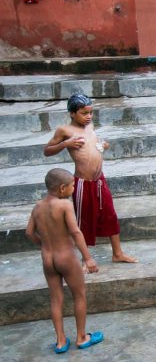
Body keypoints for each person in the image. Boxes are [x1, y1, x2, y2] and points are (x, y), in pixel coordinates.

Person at [43, 94, 137, 264]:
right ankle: (86, 259)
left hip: (100, 180)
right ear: (72, 113)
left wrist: (102, 146)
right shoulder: (64, 131)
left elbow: (92, 145)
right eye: (84, 113)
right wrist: (66, 144)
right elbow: (47, 150)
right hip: (82, 183)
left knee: (110, 214)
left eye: (90, 113)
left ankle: (117, 254)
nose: (88, 117)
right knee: (83, 219)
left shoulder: (90, 126)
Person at [26, 168, 104, 353]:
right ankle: (82, 337)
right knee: (79, 295)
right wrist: (88, 258)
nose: (73, 188)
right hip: (66, 257)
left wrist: (44, 244)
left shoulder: (37, 207)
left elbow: (29, 232)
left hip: (48, 258)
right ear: (62, 188)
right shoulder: (64, 205)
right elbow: (76, 233)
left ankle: (60, 341)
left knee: (56, 299)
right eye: (72, 185)